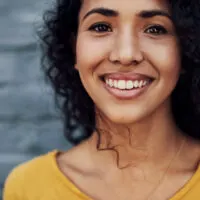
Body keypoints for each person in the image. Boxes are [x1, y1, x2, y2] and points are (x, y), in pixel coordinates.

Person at [3, 0, 200, 199]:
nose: (125, 54)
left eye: (155, 30)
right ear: (74, 49)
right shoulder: (29, 187)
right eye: (101, 27)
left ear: (185, 49)